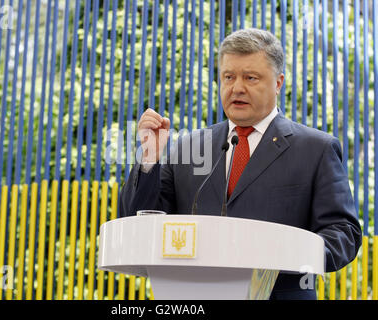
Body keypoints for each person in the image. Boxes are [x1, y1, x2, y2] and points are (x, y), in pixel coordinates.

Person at [119, 28, 361, 300]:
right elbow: (141, 221)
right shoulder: (189, 147)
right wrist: (149, 159)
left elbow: (344, 233)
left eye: (251, 78)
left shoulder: (316, 149)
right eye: (228, 77)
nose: (237, 88)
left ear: (278, 82)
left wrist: (293, 253)